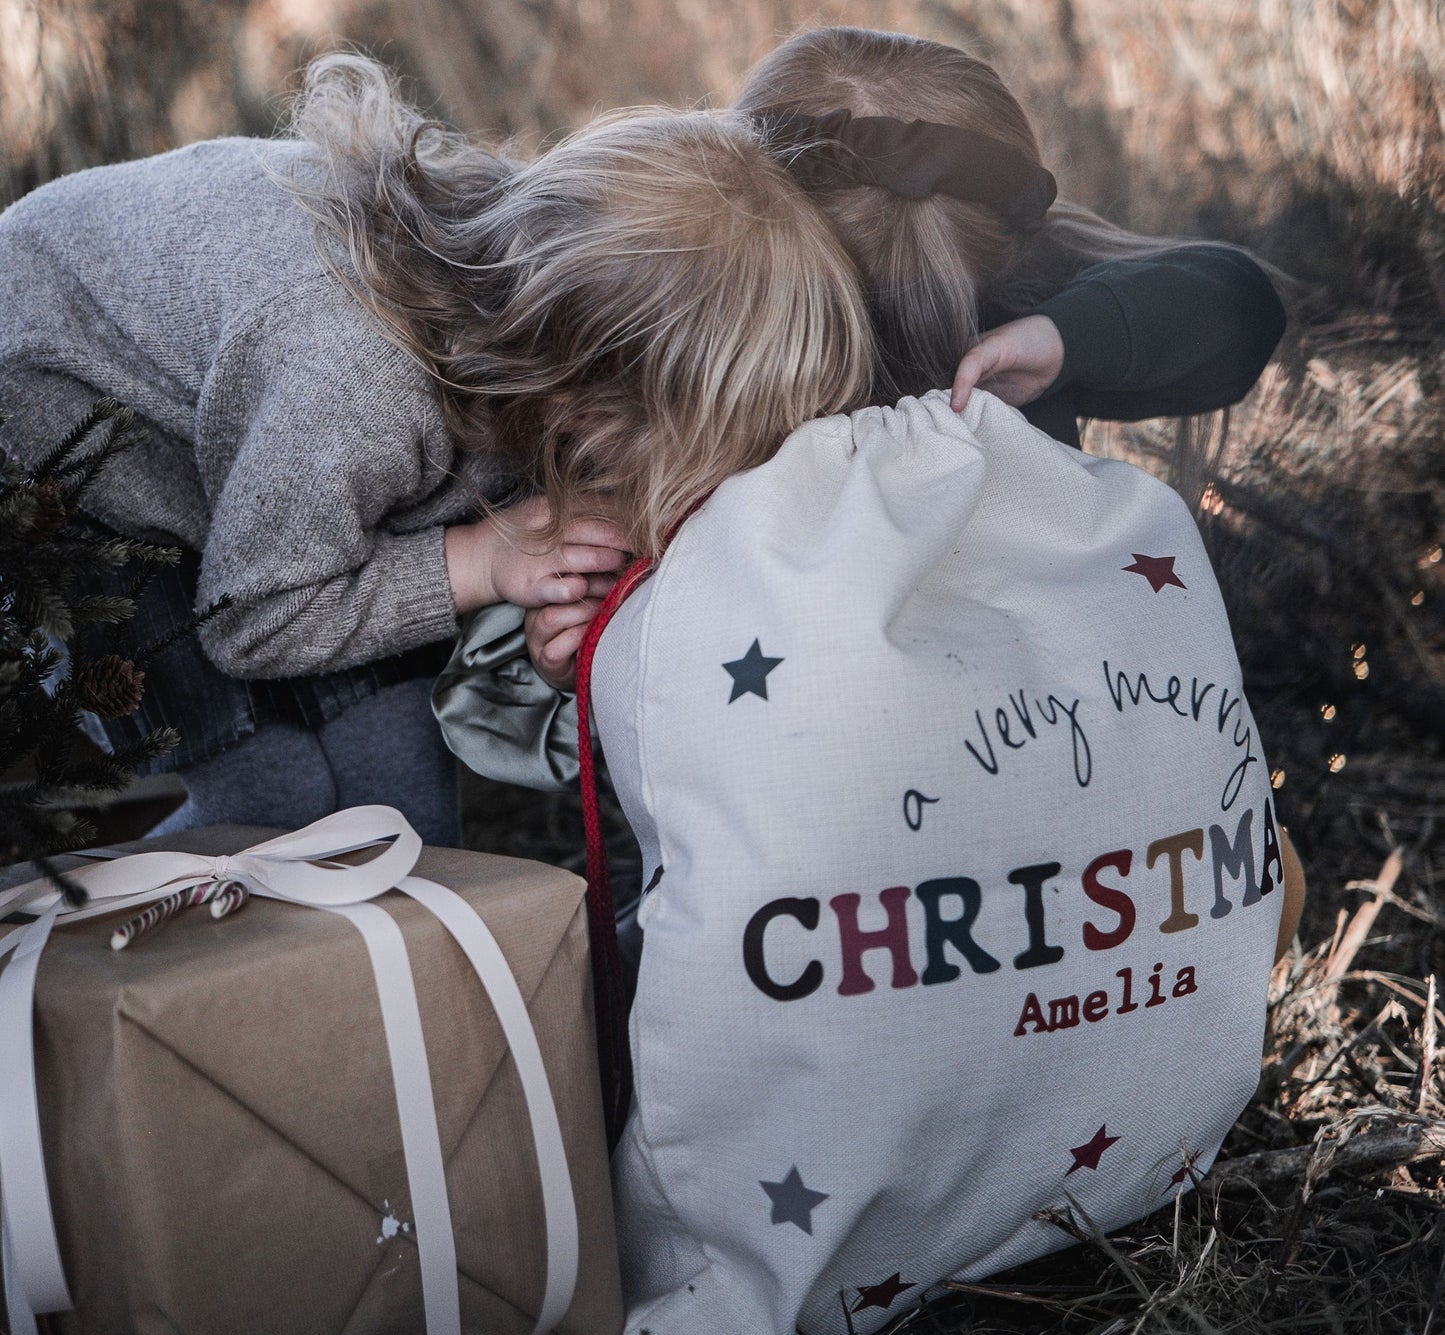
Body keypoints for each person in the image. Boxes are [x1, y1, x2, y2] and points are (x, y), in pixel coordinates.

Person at [0, 56, 873, 844]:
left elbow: (488, 543)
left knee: (396, 782)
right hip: (69, 455)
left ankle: (402, 982)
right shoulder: (355, 373)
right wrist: (484, 560)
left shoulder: (537, 320)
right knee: (274, 800)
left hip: (281, 474)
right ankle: (140, 976)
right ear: (593, 379)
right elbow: (250, 617)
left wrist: (548, 631)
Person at [439, 25, 1290, 787]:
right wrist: (1072, 338)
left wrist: (563, 672)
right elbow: (1244, 303)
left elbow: (1234, 304)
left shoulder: (701, 381)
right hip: (1041, 763)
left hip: (837, 842)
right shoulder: (1024, 295)